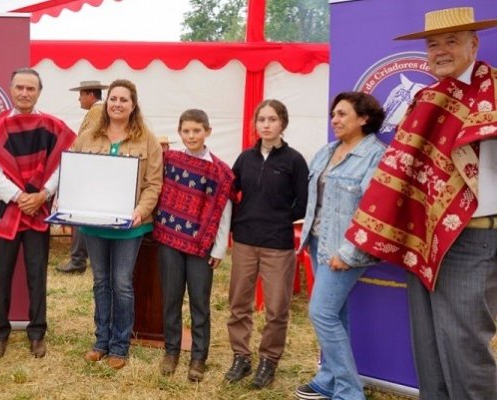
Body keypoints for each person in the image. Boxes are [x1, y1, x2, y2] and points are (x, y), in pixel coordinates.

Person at [345, 7, 497, 399]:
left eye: (451, 41)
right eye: (433, 44)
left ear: (473, 44)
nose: (441, 51)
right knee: (427, 347)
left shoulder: (493, 94)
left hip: (472, 238)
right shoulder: (427, 98)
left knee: (464, 350)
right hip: (424, 238)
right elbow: (404, 168)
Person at [0, 68, 76, 359]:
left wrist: (42, 195)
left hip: (38, 211)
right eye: (20, 87)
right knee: (1, 275)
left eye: (31, 88)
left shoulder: (52, 126)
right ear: (11, 89)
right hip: (6, 211)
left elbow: (62, 165)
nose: (25, 93)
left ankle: (37, 333)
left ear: (39, 92)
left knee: (37, 275)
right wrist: (19, 197)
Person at [294, 92, 386, 400]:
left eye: (343, 114)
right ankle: (329, 378)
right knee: (337, 314)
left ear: (364, 119)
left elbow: (373, 210)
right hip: (318, 243)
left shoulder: (375, 155)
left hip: (345, 249)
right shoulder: (327, 151)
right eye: (334, 114)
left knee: (321, 313)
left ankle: (349, 391)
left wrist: (347, 253)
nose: (335, 119)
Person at [75, 79, 163, 369]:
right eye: (113, 99)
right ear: (107, 102)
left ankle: (120, 346)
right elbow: (75, 170)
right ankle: (101, 341)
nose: (117, 104)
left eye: (124, 100)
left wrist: (141, 209)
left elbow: (153, 184)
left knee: (122, 283)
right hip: (94, 223)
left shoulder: (147, 138)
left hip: (130, 225)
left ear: (133, 104)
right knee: (101, 281)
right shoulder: (89, 135)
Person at [225, 99, 309, 388]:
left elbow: (303, 202)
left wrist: (279, 218)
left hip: (277, 244)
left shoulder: (294, 160)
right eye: (261, 120)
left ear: (282, 123)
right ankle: (241, 356)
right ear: (256, 124)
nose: (266, 125)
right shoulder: (245, 158)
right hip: (245, 241)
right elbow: (231, 191)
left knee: (276, 308)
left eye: (272, 119)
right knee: (239, 304)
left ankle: (269, 360)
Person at [153, 109, 233, 382]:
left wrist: (219, 248)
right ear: (179, 132)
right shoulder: (170, 160)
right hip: (169, 243)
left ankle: (199, 357)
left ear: (208, 132)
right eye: (186, 131)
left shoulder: (220, 172)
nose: (191, 136)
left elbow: (224, 210)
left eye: (196, 131)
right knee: (171, 299)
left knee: (200, 302)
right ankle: (172, 351)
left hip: (201, 247)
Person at [56, 80, 108, 274]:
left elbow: (87, 141)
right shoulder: (100, 111)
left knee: (79, 213)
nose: (79, 98)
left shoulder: (96, 112)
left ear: (89, 94)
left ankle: (78, 259)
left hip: (89, 168)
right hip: (96, 168)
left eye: (81, 94)